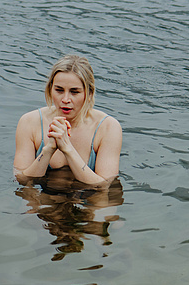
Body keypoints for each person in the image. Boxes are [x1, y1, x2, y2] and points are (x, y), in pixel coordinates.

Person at [14, 54, 122, 187]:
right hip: (46, 194)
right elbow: (22, 180)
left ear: (89, 94)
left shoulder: (108, 127)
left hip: (88, 198)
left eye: (74, 92)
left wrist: (67, 148)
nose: (65, 99)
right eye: (59, 90)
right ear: (50, 89)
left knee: (103, 203)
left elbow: (104, 186)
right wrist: (48, 149)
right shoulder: (29, 122)